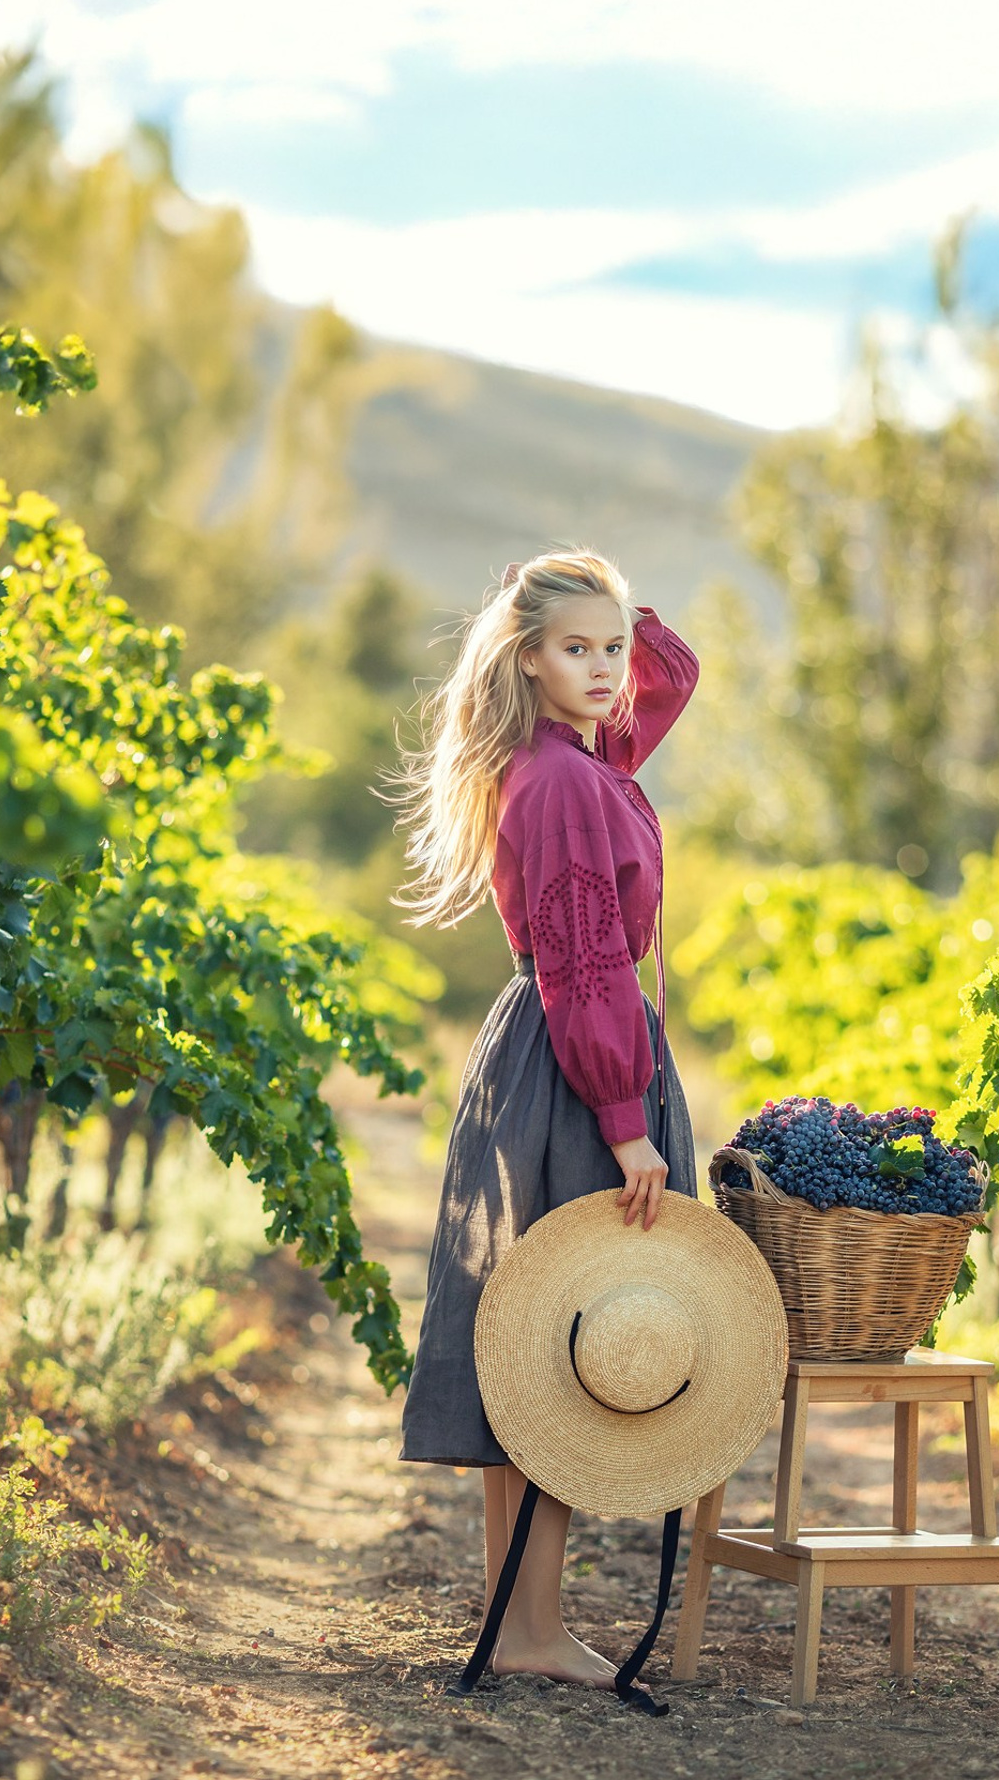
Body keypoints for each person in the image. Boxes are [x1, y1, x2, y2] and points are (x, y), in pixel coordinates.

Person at [391, 547, 699, 1689]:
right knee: (557, 1343)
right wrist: (625, 1117)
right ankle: (526, 1629)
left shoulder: (570, 756)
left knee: (538, 1339)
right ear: (528, 659)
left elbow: (668, 673)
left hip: (545, 1052)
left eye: (612, 648)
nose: (609, 668)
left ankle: (522, 1623)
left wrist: (600, 607)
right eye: (576, 650)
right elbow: (586, 961)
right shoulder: (566, 778)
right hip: (575, 1065)